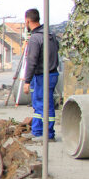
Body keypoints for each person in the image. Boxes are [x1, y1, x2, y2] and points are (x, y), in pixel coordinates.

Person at [22, 8, 59, 141]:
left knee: (45, 105)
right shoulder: (50, 35)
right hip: (52, 74)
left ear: (27, 20)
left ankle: (48, 135)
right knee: (38, 104)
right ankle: (37, 131)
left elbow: (31, 61)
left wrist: (27, 81)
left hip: (43, 76)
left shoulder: (35, 38)